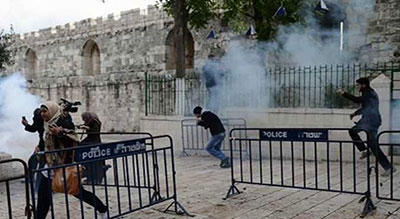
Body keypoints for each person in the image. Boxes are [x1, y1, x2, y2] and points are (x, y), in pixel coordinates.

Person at [35, 102, 108, 219]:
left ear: (52, 111)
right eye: (42, 111)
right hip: (50, 165)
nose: (43, 114)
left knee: (79, 192)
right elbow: (46, 140)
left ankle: (103, 209)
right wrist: (40, 147)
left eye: (45, 111)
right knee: (43, 195)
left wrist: (60, 133)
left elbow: (72, 139)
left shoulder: (64, 122)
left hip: (65, 165)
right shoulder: (47, 124)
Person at [337, 77, 396, 177]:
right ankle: (389, 167)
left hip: (370, 122)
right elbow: (366, 108)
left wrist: (343, 93)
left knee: (352, 131)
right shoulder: (369, 93)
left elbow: (357, 100)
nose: (357, 87)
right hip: (371, 120)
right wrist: (355, 113)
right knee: (373, 145)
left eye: (358, 85)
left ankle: (364, 150)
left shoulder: (368, 93)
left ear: (364, 85)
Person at [78, 112, 107, 184]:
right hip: (91, 140)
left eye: (84, 118)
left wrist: (87, 128)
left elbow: (94, 132)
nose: (84, 120)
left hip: (93, 140)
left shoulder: (95, 122)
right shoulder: (90, 121)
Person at [21, 108, 45, 194]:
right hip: (41, 145)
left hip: (48, 147)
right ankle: (30, 180)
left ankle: (38, 187)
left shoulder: (48, 122)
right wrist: (26, 125)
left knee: (42, 168)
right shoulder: (38, 120)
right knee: (32, 162)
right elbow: (34, 128)